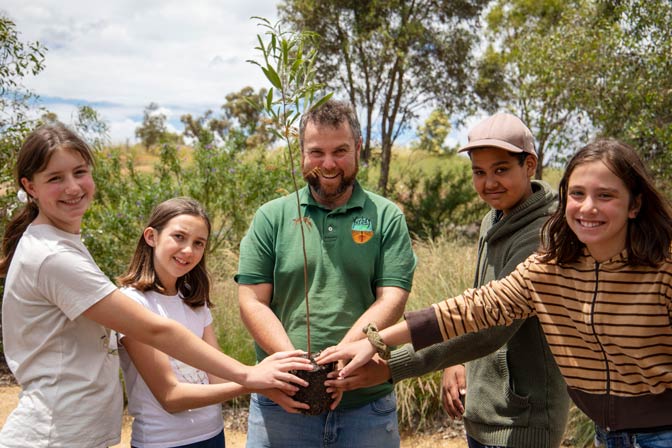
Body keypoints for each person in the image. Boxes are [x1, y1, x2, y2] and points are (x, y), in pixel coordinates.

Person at [319, 138, 672, 448]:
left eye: (605, 195)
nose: (588, 207)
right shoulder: (551, 267)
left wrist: (391, 363)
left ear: (635, 204)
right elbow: (474, 309)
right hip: (607, 434)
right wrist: (375, 341)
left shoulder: (663, 270)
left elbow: (489, 333)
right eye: (577, 194)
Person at [0, 123, 311, 448]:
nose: (73, 187)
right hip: (53, 437)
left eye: (80, 172)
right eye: (55, 178)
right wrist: (249, 377)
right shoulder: (52, 256)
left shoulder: (62, 244)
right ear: (29, 186)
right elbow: (157, 332)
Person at [326, 112, 570, 448]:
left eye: (501, 170)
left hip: (523, 420)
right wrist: (456, 359)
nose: (489, 183)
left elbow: (491, 326)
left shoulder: (543, 234)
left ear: (529, 165)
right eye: (479, 172)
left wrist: (391, 364)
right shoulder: (494, 219)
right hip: (484, 409)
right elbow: (474, 303)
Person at [235, 98, 417, 447]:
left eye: (341, 151)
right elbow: (252, 301)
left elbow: (392, 297)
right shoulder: (271, 217)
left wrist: (336, 361)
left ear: (359, 149)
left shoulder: (386, 216)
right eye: (316, 152)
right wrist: (298, 370)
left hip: (367, 404)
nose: (328, 164)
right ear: (301, 151)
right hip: (282, 403)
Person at [117, 197, 311, 448]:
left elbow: (218, 377)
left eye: (199, 243)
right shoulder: (131, 304)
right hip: (162, 442)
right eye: (179, 237)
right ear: (151, 237)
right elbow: (170, 396)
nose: (188, 250)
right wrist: (252, 381)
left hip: (212, 436)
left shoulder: (194, 301)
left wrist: (270, 382)